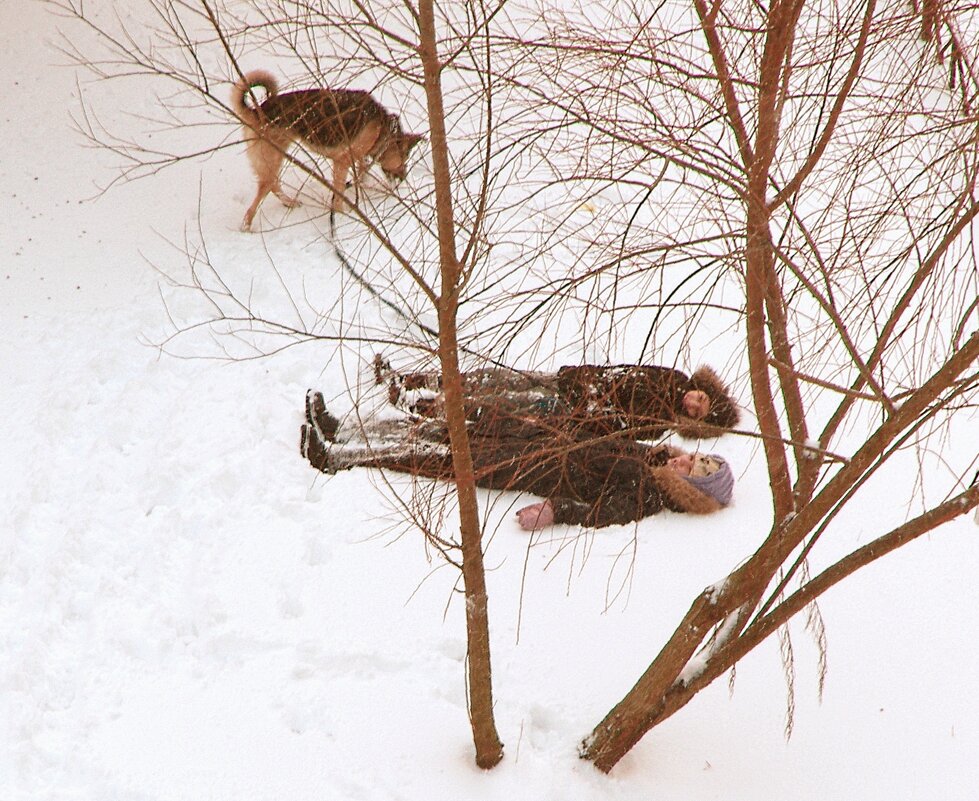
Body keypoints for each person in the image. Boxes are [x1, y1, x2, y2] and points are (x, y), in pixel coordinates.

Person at [300, 390, 734, 530]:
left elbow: (596, 514)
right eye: (694, 458)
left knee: (431, 457)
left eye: (693, 471)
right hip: (538, 436)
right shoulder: (653, 458)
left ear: (692, 489)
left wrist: (553, 510)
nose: (686, 462)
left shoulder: (647, 496)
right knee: (439, 429)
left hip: (529, 466)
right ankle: (345, 428)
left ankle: (337, 457)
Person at [373, 355, 740, 441]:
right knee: (491, 378)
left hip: (565, 407)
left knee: (496, 403)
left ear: (696, 420)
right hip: (569, 379)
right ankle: (414, 379)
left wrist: (589, 397)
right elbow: (624, 370)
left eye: (698, 409)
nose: (693, 400)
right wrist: (585, 373)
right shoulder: (675, 377)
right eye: (701, 397)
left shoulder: (658, 426)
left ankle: (417, 405)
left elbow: (609, 421)